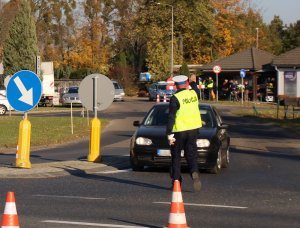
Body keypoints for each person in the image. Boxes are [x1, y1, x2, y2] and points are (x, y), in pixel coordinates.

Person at [166, 75, 202, 192]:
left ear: (176, 85)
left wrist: (169, 133)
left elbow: (171, 116)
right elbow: (195, 89)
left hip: (179, 131)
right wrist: (193, 82)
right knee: (191, 153)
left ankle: (176, 180)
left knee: (176, 155)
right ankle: (194, 172)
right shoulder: (193, 94)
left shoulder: (175, 98)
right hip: (193, 130)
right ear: (186, 84)